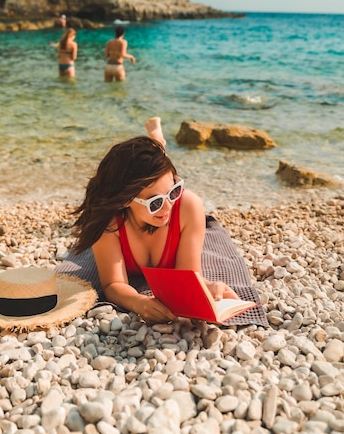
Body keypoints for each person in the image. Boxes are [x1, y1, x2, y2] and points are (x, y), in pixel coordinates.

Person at [72, 117, 239, 324]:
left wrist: (209, 288)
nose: (169, 207)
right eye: (154, 203)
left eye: (174, 190)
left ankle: (157, 138)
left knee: (158, 155)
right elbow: (113, 283)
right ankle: (156, 139)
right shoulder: (108, 221)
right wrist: (139, 303)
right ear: (125, 201)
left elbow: (188, 275)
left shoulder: (186, 206)